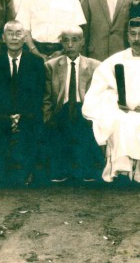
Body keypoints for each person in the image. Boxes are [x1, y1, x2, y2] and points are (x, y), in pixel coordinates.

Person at [82, 17, 140, 184]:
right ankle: (122, 171)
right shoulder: (116, 60)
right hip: (121, 109)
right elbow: (101, 85)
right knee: (120, 121)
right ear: (127, 36)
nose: (136, 39)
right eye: (133, 34)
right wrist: (118, 102)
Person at [0, 21, 46, 186]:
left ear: (25, 37)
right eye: (10, 33)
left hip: (28, 114)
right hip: (2, 114)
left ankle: (28, 172)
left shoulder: (36, 63)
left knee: (35, 125)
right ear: (3, 38)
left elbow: (38, 94)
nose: (14, 37)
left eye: (18, 33)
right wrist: (8, 117)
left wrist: (21, 116)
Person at [43, 27, 103, 183]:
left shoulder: (95, 66)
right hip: (61, 109)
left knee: (83, 121)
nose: (70, 45)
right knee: (60, 123)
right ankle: (60, 170)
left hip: (85, 108)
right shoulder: (52, 65)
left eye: (75, 40)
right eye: (65, 40)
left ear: (82, 42)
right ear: (61, 43)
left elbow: (99, 95)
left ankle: (86, 170)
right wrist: (47, 117)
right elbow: (47, 97)